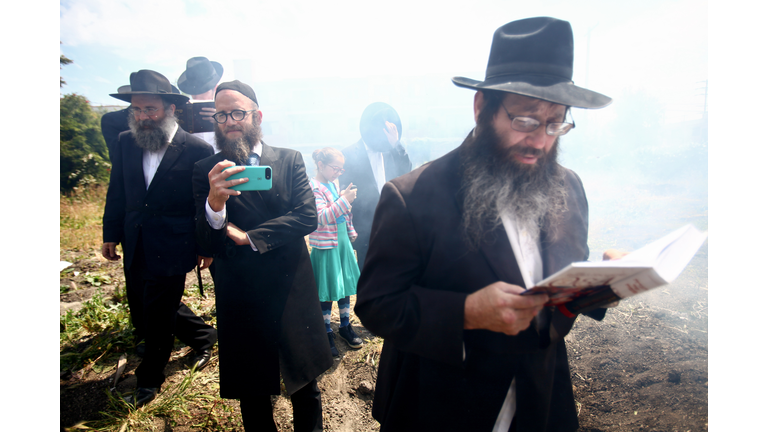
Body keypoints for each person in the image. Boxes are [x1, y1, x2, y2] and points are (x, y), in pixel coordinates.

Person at [354, 17, 617, 432]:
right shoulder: (412, 195)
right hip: (441, 407)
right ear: (482, 107)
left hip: (539, 402)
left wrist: (603, 286)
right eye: (526, 120)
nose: (540, 140)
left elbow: (555, 290)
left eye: (555, 123)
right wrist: (464, 312)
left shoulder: (568, 187)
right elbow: (376, 305)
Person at [192, 80, 332, 432]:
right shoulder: (205, 171)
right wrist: (215, 204)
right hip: (237, 285)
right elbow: (205, 239)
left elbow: (306, 216)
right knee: (252, 388)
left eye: (238, 112)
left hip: (290, 282)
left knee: (304, 380)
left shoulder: (288, 160)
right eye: (221, 114)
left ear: (257, 115)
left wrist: (251, 236)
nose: (230, 121)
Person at [101, 70, 218, 408]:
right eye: (136, 110)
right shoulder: (125, 141)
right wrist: (111, 233)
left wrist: (204, 245)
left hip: (174, 241)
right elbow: (117, 191)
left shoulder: (196, 148)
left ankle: (150, 378)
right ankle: (204, 336)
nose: (142, 117)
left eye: (149, 109)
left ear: (170, 109)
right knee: (144, 300)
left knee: (157, 312)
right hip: (134, 236)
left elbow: (201, 202)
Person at [338, 102, 412, 270]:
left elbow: (407, 171)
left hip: (392, 222)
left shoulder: (393, 150)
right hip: (363, 226)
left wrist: (396, 144)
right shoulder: (348, 154)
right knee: (367, 271)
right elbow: (344, 189)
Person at [308, 147, 364, 358]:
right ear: (321, 165)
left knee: (344, 284)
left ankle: (345, 325)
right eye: (335, 168)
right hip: (326, 245)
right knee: (327, 288)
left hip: (341, 241)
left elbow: (342, 214)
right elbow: (321, 217)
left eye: (341, 169)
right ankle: (326, 331)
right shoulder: (314, 187)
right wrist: (345, 200)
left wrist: (350, 231)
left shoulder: (332, 184)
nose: (338, 173)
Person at [177, 56, 223, 151]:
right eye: (195, 91)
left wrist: (223, 121)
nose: (197, 96)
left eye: (203, 90)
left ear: (215, 88)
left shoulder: (228, 111)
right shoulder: (181, 110)